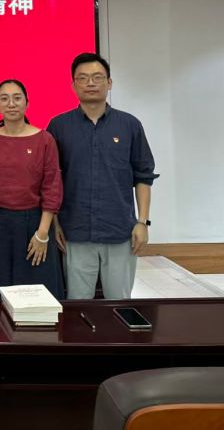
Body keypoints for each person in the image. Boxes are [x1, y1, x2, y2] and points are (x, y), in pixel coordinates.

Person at [47, 53, 157, 300]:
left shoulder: (130, 125)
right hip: (74, 231)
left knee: (119, 302)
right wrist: (55, 223)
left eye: (97, 77)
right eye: (83, 78)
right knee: (78, 302)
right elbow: (51, 180)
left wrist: (143, 222)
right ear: (73, 85)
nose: (90, 83)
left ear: (109, 83)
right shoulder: (59, 126)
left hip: (119, 231)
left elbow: (143, 176)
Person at [0, 79, 65, 300]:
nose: (11, 104)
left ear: (27, 103)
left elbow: (52, 187)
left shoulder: (44, 140)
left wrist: (42, 234)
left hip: (35, 224)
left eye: (17, 98)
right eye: (4, 99)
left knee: (37, 293)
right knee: (1, 289)